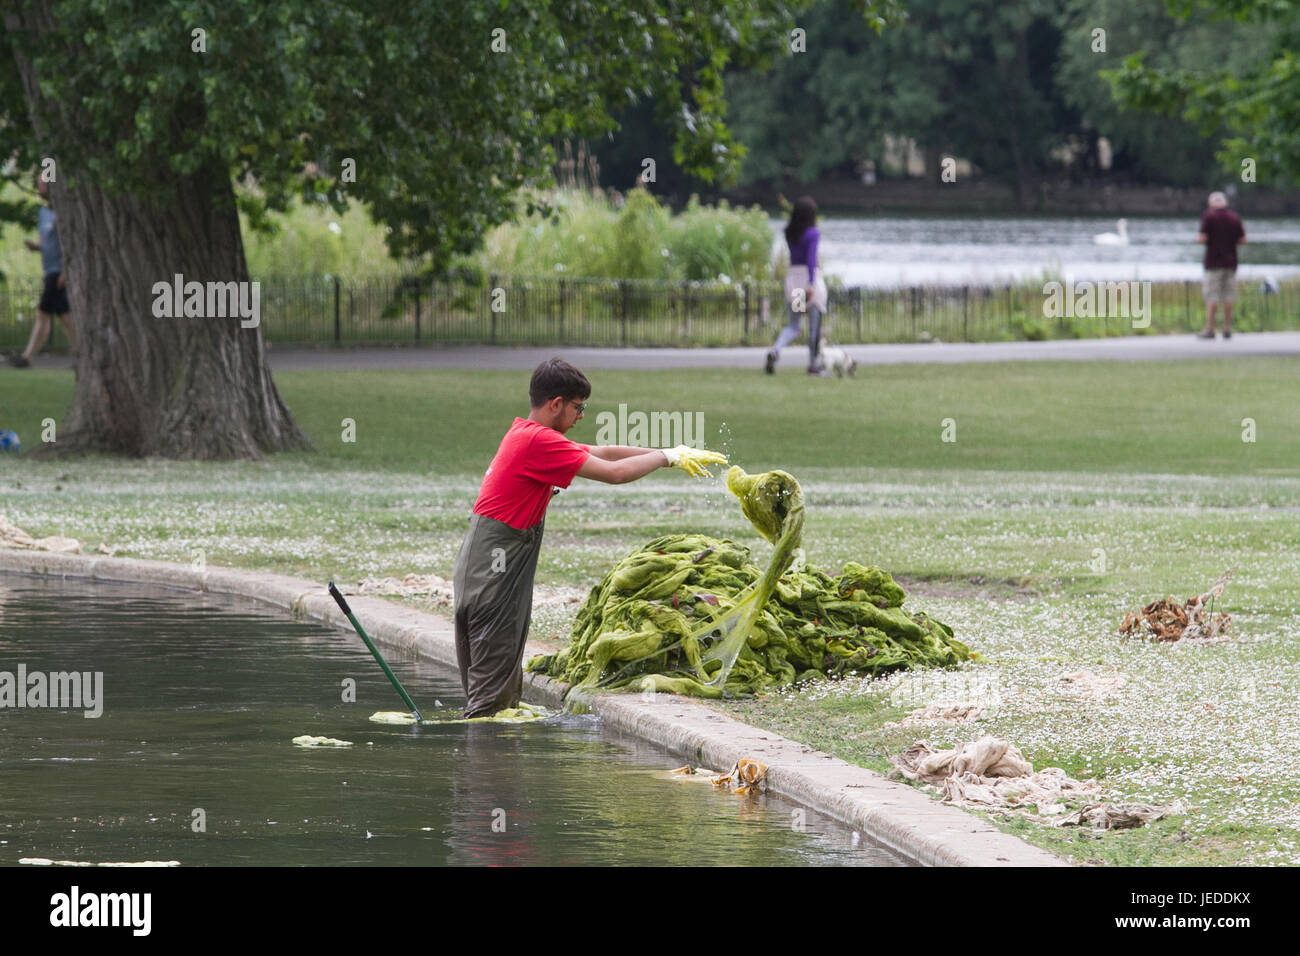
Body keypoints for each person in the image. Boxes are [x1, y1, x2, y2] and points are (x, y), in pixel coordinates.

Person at [452, 357, 726, 718]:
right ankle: (488, 769)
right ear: (556, 404)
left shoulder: (528, 435)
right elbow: (613, 473)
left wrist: (673, 456)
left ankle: (492, 768)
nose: (581, 415)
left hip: (479, 570)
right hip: (493, 580)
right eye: (578, 407)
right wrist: (662, 457)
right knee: (489, 703)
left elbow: (603, 453)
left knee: (493, 690)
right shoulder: (540, 443)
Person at [7, 176, 76, 368]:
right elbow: (44, 243)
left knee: (42, 314)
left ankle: (27, 357)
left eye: (43, 183)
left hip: (57, 272)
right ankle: (82, 353)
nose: (39, 187)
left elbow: (70, 242)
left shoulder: (64, 212)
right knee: (65, 315)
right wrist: (35, 247)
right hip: (49, 270)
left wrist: (65, 271)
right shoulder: (43, 213)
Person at [765, 195, 829, 376]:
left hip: (794, 282)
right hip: (809, 281)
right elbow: (811, 258)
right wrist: (811, 283)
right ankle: (813, 365)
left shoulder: (789, 233)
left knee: (793, 325)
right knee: (814, 327)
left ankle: (775, 350)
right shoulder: (813, 233)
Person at [1196, 191, 1246, 340]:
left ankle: (1210, 328)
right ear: (1225, 203)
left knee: (1212, 296)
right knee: (1229, 296)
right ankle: (1227, 328)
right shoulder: (1234, 217)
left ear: (1211, 204)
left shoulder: (1209, 216)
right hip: (1231, 262)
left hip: (1213, 262)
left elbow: (1201, 238)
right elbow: (1243, 240)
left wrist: (1211, 241)